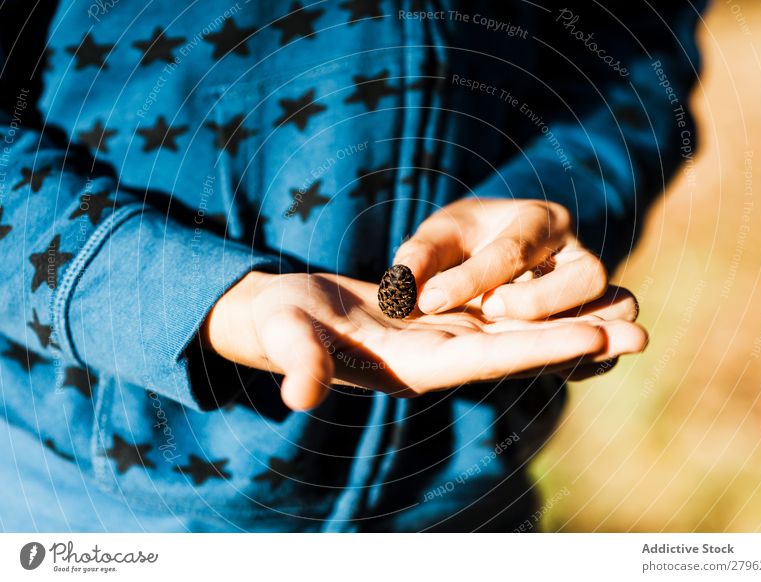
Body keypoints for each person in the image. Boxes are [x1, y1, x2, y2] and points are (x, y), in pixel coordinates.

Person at [0, 0, 703, 532]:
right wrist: (196, 295)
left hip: (459, 479)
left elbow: (638, 51)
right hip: (90, 490)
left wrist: (546, 191)